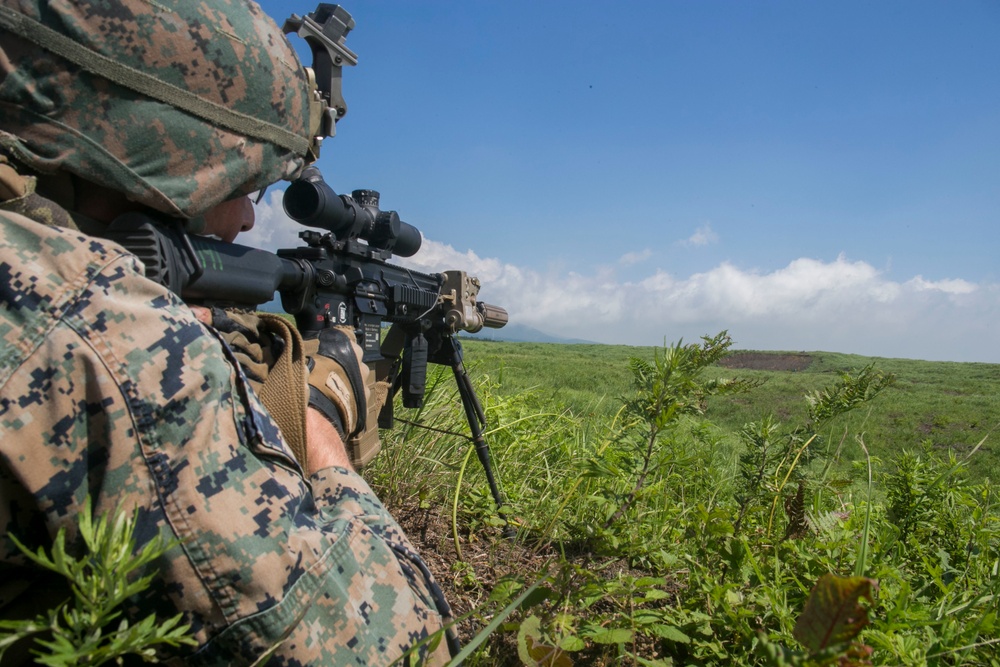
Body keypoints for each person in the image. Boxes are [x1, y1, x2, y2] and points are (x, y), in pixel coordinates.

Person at [0, 1, 454, 664]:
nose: (246, 218)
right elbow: (400, 646)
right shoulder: (90, 324)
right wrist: (320, 416)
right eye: (243, 180)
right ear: (156, 146)